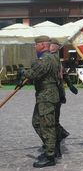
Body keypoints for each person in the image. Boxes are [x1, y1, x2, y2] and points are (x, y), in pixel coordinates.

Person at [22, 36, 61, 167]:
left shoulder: (45, 59)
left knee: (46, 126)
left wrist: (23, 72)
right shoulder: (53, 58)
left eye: (36, 44)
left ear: (43, 45)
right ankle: (50, 147)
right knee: (37, 122)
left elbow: (33, 74)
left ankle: (50, 156)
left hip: (47, 96)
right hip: (46, 95)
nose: (35, 47)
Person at [49, 38, 78, 157]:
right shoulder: (48, 59)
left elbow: (64, 74)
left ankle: (55, 145)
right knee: (53, 121)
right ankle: (59, 137)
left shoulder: (56, 60)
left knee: (52, 122)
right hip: (52, 94)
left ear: (56, 47)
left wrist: (71, 86)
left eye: (52, 45)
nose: (50, 47)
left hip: (56, 94)